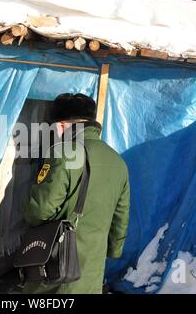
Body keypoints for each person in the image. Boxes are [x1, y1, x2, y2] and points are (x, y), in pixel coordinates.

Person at [23, 93, 130, 294]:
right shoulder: (118, 161)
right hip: (92, 269)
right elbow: (120, 217)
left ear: (62, 124)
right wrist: (114, 250)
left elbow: (40, 210)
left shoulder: (62, 153)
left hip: (57, 266)